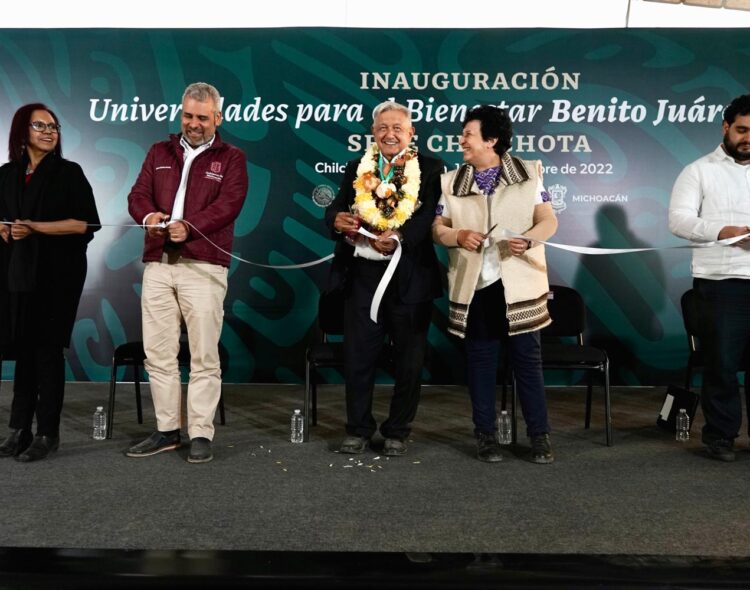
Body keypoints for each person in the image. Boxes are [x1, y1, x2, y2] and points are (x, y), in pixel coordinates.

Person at [126, 82, 248, 464]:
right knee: (158, 354)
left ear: (218, 118)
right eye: (188, 116)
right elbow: (138, 195)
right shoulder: (159, 151)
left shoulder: (232, 158)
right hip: (159, 265)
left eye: (202, 117)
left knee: (203, 355)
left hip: (204, 266)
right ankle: (166, 430)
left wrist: (189, 227)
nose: (193, 124)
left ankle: (200, 433)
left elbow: (229, 205)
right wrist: (149, 217)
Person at [432, 105, 558, 464]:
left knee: (528, 364)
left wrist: (530, 239)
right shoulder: (450, 181)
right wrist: (458, 235)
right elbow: (437, 230)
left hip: (519, 284)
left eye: (469, 134)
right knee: (481, 364)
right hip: (477, 288)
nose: (462, 141)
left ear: (492, 140)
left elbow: (548, 220)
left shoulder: (529, 175)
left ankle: (540, 437)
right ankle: (485, 436)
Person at [325, 100, 443, 456]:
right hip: (362, 275)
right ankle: (358, 429)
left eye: (397, 128)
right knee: (358, 356)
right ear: (373, 134)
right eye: (382, 128)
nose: (389, 134)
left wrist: (398, 237)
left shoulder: (433, 169)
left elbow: (430, 219)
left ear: (411, 134)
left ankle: (398, 431)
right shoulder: (355, 168)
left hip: (410, 278)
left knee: (409, 360)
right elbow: (337, 208)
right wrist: (335, 221)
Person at [0, 103, 100, 462]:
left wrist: (36, 227)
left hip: (58, 275)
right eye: (39, 125)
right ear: (21, 132)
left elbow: (85, 224)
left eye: (54, 126)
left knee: (46, 352)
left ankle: (47, 433)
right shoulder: (7, 174)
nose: (48, 131)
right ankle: (18, 430)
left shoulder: (68, 172)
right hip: (16, 274)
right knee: (24, 351)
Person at [669, 94, 750, 462]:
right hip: (719, 283)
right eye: (742, 130)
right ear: (725, 128)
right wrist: (725, 231)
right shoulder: (698, 170)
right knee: (721, 364)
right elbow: (679, 221)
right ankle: (720, 436)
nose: (748, 137)